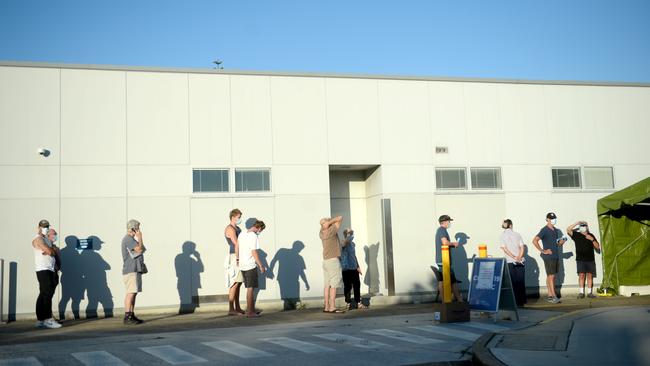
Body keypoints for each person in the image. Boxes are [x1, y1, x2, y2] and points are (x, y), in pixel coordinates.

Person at [32, 219, 62, 329]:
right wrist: (51, 250)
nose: (45, 228)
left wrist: (50, 250)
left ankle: (40, 320)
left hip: (49, 269)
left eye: (47, 226)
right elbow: (50, 252)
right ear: (39, 227)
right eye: (44, 227)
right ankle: (48, 319)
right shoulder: (38, 239)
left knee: (43, 294)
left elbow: (51, 251)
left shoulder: (45, 240)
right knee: (47, 294)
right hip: (43, 269)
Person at [532, 212, 567, 304]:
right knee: (551, 276)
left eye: (554, 218)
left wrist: (562, 242)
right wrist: (543, 251)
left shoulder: (555, 230)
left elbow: (557, 243)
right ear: (547, 219)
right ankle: (554, 296)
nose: (553, 220)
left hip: (556, 256)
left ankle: (550, 296)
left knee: (551, 276)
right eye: (551, 218)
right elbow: (535, 240)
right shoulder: (544, 230)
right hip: (549, 257)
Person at [237, 220, 267, 318]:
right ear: (259, 228)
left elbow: (237, 246)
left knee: (249, 288)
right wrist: (261, 265)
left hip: (242, 264)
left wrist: (238, 259)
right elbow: (254, 252)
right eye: (261, 231)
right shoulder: (253, 236)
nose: (260, 232)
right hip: (250, 265)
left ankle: (251, 309)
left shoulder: (242, 233)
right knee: (250, 289)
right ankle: (250, 312)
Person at [122, 219, 147, 324]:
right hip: (131, 270)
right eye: (137, 228)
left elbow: (142, 249)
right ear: (133, 228)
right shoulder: (128, 239)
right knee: (130, 293)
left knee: (134, 293)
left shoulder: (131, 239)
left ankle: (131, 315)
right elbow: (139, 249)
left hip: (135, 269)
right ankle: (127, 316)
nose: (139, 230)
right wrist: (140, 237)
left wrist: (139, 240)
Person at [567, 221, 601, 299]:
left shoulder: (591, 235)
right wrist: (577, 223)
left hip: (590, 260)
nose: (583, 227)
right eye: (581, 226)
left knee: (590, 275)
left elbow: (598, 247)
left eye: (584, 226)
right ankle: (581, 293)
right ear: (580, 227)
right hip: (580, 259)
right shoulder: (576, 235)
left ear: (587, 227)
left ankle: (589, 293)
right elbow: (568, 230)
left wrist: (592, 239)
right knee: (581, 275)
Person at [435, 215, 463, 302]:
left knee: (442, 280)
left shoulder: (440, 230)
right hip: (445, 260)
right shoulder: (442, 230)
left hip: (441, 259)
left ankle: (444, 300)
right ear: (445, 222)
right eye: (449, 221)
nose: (449, 223)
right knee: (453, 281)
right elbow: (444, 242)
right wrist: (454, 244)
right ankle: (459, 300)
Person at [320, 216, 345, 313]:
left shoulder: (321, 233)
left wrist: (326, 223)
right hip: (333, 261)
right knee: (334, 285)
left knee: (327, 285)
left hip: (326, 261)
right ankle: (332, 307)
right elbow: (340, 218)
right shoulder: (331, 231)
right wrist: (330, 222)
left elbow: (323, 224)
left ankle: (326, 306)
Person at [500, 219, 526, 306]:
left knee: (512, 282)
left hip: (510, 262)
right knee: (520, 281)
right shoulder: (517, 234)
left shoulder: (503, 235)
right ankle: (521, 301)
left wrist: (513, 257)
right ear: (511, 225)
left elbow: (504, 248)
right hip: (520, 261)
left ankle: (514, 302)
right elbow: (522, 247)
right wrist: (519, 257)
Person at [225, 209, 245, 316]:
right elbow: (236, 244)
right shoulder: (230, 229)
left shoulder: (238, 228)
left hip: (240, 256)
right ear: (233, 217)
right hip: (234, 256)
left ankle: (237, 307)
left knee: (239, 283)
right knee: (234, 282)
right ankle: (231, 309)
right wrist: (237, 259)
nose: (240, 219)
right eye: (239, 217)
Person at [341, 228, 364, 310]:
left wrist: (358, 267)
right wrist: (348, 237)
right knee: (347, 286)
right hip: (346, 268)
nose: (351, 234)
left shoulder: (353, 244)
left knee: (357, 285)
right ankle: (348, 303)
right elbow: (344, 244)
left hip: (354, 267)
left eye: (352, 232)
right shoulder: (343, 242)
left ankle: (358, 302)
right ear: (346, 234)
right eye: (349, 232)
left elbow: (354, 256)